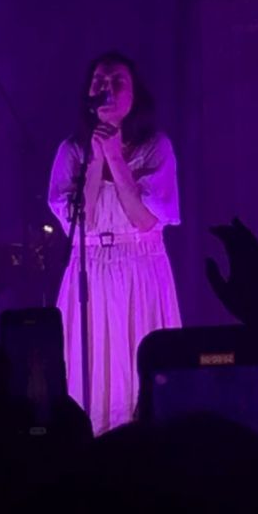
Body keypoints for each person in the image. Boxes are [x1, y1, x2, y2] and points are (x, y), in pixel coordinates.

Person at [48, 52, 181, 434]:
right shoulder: (70, 151)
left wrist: (116, 157)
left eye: (116, 80)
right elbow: (81, 223)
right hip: (90, 268)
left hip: (140, 269)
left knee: (140, 375)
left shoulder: (156, 146)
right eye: (98, 80)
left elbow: (144, 220)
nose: (105, 87)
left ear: (134, 92)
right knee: (90, 372)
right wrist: (95, 157)